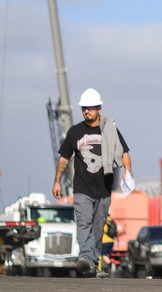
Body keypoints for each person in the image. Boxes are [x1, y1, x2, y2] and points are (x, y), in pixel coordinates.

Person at [53, 88, 132, 278]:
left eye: (90, 108)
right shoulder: (75, 132)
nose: (86, 111)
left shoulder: (110, 130)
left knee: (98, 227)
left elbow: (123, 152)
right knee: (84, 223)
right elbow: (64, 159)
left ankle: (92, 263)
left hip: (104, 189)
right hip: (82, 189)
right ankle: (86, 257)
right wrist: (57, 181)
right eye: (83, 108)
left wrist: (128, 173)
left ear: (99, 108)